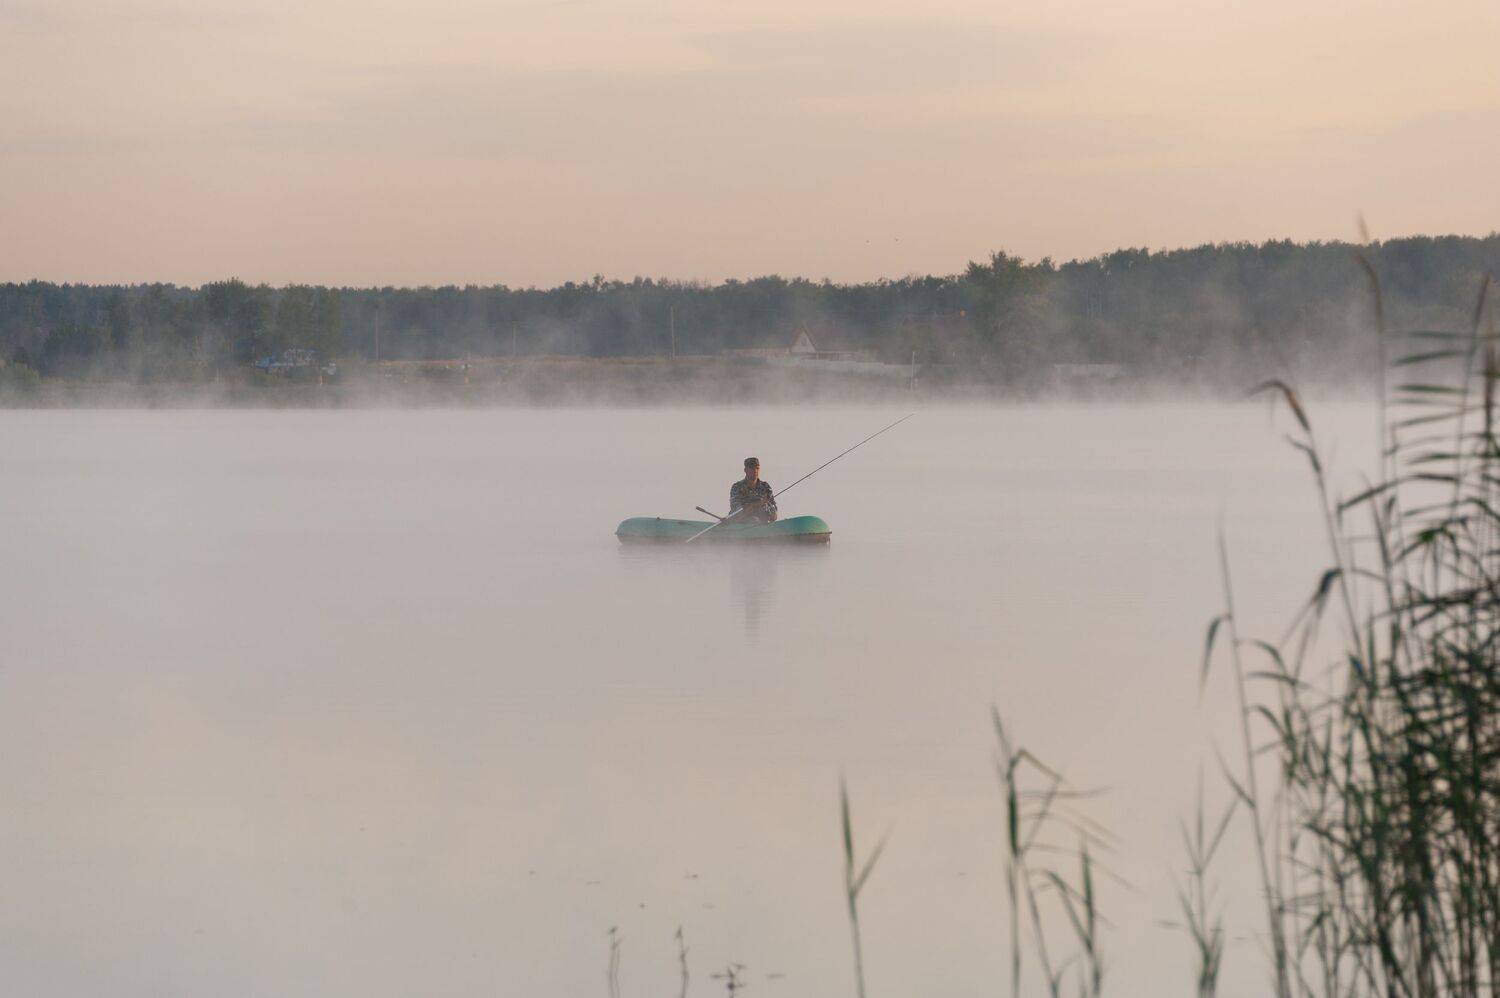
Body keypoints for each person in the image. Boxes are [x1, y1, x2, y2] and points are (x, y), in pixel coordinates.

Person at [729, 457, 778, 523]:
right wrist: (756, 505)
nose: (755, 471)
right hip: (742, 525)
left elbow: (774, 512)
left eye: (757, 468)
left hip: (764, 525)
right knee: (754, 520)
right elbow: (737, 512)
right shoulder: (737, 487)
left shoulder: (765, 487)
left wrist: (772, 512)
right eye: (752, 468)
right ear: (745, 470)